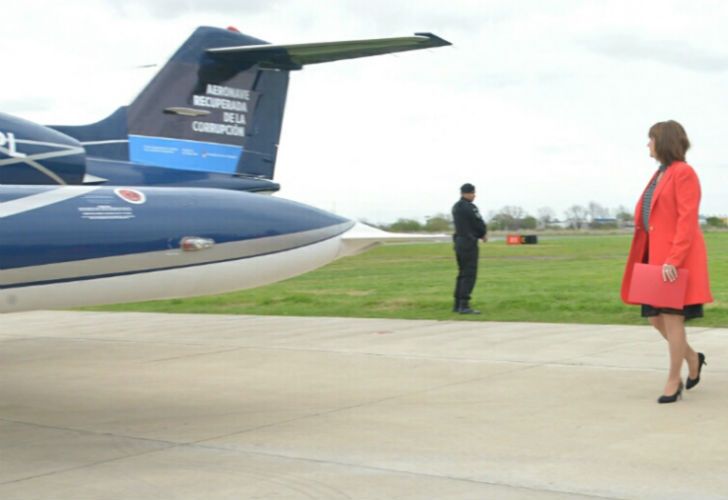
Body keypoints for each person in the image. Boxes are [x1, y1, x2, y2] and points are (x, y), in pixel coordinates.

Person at [621, 120, 712, 404]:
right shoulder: (660, 174)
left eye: (651, 138)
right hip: (654, 257)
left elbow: (687, 221)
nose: (647, 144)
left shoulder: (683, 173)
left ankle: (674, 381)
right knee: (654, 318)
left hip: (674, 260)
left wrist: (673, 259)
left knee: (673, 321)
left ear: (664, 141)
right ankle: (693, 357)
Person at [452, 183, 487, 314]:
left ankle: (457, 303)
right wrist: (482, 233)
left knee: (462, 273)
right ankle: (464, 305)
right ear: (467, 193)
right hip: (469, 242)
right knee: (469, 273)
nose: (474, 195)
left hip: (459, 242)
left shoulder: (456, 207)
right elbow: (478, 223)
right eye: (473, 193)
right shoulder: (470, 207)